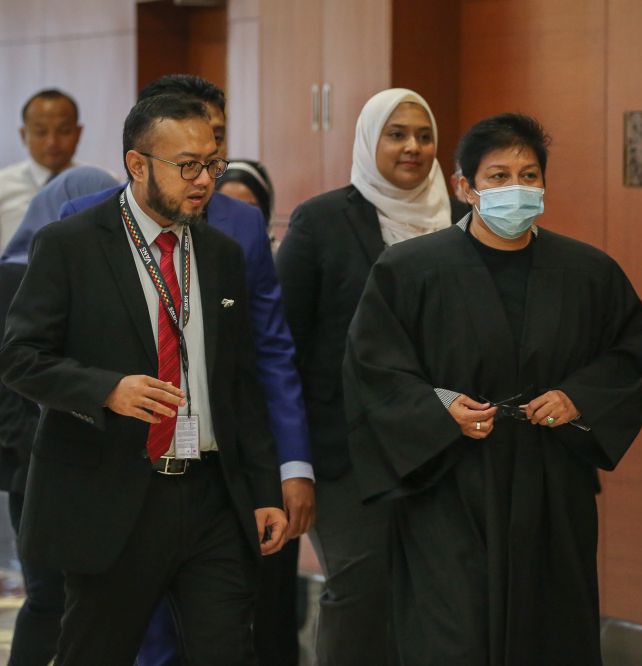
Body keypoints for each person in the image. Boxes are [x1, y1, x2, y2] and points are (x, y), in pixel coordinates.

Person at [342, 112, 642, 665]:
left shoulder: (588, 272)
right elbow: (374, 367)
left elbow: (627, 352)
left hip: (551, 482)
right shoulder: (410, 269)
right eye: (498, 176)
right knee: (454, 638)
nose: (516, 188)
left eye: (529, 175)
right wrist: (443, 408)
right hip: (448, 485)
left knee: (551, 635)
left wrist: (576, 396)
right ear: (465, 187)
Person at [0, 94, 288, 665]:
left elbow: (241, 386)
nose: (204, 179)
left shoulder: (222, 253)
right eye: (187, 165)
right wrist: (106, 389)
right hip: (115, 492)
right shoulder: (71, 245)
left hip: (210, 497)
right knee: (95, 651)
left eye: (213, 163)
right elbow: (19, 357)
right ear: (137, 165)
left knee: (228, 651)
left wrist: (262, 489)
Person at [276, 87, 464, 665]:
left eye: (424, 135)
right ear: (368, 140)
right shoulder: (322, 221)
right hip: (347, 451)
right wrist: (292, 463)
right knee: (360, 592)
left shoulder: (464, 220)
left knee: (440, 596)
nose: (413, 147)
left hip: (447, 446)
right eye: (397, 134)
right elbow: (281, 347)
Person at [0, 166, 120, 666]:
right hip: (37, 468)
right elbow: (8, 382)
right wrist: (39, 446)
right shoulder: (9, 278)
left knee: (96, 603)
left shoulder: (105, 272)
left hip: (101, 465)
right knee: (49, 599)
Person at [0, 89, 82, 250]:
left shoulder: (101, 183)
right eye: (41, 132)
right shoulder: (3, 185)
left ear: (78, 133)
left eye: (64, 131)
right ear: (24, 135)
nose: (52, 142)